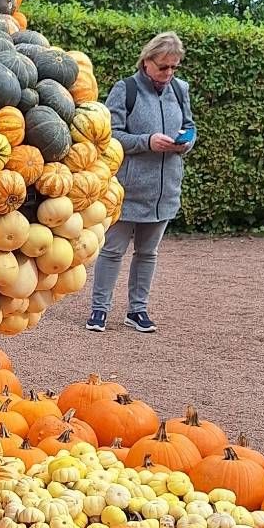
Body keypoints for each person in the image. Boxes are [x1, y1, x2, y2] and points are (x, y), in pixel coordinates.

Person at [86, 30, 194, 335]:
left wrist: (185, 142)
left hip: (165, 190)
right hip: (127, 190)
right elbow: (109, 134)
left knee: (148, 254)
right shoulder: (126, 89)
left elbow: (189, 126)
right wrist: (147, 141)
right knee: (112, 251)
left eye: (174, 67)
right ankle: (99, 310)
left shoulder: (180, 90)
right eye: (163, 67)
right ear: (147, 61)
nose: (169, 73)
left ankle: (138, 311)